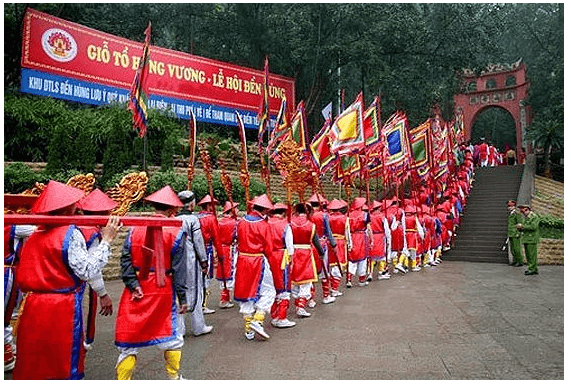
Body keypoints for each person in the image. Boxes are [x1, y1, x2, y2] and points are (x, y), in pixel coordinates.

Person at [13, 181, 120, 380]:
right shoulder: (71, 234)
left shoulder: (34, 234)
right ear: (67, 207)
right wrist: (107, 240)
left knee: (34, 358)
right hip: (61, 307)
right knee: (61, 359)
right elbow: (87, 270)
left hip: (32, 305)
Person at [114, 186, 188, 380]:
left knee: (129, 342)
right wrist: (183, 298)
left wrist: (132, 284)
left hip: (137, 285)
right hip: (163, 288)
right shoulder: (177, 231)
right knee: (172, 335)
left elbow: (125, 259)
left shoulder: (134, 228)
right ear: (173, 210)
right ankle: (174, 378)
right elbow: (180, 270)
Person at [233, 194, 275, 340]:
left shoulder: (240, 223)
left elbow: (234, 239)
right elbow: (269, 248)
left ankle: (248, 328)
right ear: (263, 210)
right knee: (269, 291)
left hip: (242, 259)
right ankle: (258, 319)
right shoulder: (264, 225)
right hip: (257, 260)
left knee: (246, 293)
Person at [4, 195, 36, 373]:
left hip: (9, 270)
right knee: (6, 312)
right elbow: (37, 228)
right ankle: (6, 355)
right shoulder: (14, 226)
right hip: (6, 271)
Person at [76, 189, 118, 322]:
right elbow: (93, 269)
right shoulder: (91, 232)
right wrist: (102, 293)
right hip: (77, 286)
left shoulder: (76, 227)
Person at [176, 190, 212, 337]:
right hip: (190, 260)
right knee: (196, 291)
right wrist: (204, 262)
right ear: (192, 203)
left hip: (175, 261)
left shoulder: (173, 218)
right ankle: (198, 326)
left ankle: (179, 329)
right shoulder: (193, 220)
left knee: (178, 293)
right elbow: (198, 242)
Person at [290, 203, 325, 317]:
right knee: (306, 281)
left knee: (295, 281)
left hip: (292, 253)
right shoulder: (311, 225)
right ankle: (300, 306)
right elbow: (316, 241)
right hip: (305, 254)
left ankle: (297, 304)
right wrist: (321, 253)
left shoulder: (290, 223)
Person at [267, 203, 296, 328]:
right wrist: (291, 258)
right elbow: (289, 246)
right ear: (283, 212)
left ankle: (274, 315)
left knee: (272, 285)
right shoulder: (285, 225)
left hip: (268, 256)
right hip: (281, 256)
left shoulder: (266, 223)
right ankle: (282, 317)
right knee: (284, 285)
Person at [196, 194, 224, 314]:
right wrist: (220, 253)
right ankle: (202, 304)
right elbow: (216, 238)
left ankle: (199, 303)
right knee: (205, 277)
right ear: (208, 206)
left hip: (195, 249)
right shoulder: (210, 218)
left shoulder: (196, 217)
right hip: (205, 249)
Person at [308, 193, 337, 305]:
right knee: (325, 270)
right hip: (322, 244)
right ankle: (326, 295)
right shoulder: (323, 216)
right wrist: (333, 245)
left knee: (311, 270)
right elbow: (329, 232)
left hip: (309, 246)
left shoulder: (307, 215)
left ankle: (311, 299)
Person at [217, 201, 240, 308]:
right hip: (230, 248)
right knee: (230, 271)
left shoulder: (219, 222)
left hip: (221, 248)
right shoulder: (235, 223)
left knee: (223, 271)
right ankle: (225, 298)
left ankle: (224, 296)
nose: (238, 210)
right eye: (236, 208)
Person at [327, 199, 351, 296]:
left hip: (330, 242)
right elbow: (347, 233)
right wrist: (349, 244)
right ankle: (334, 289)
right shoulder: (345, 219)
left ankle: (332, 287)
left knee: (331, 265)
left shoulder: (327, 218)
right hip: (340, 243)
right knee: (338, 265)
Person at [346, 197, 372, 287]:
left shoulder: (348, 215)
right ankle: (361, 280)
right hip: (361, 238)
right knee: (363, 258)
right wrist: (371, 240)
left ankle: (349, 279)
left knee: (352, 258)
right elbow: (369, 228)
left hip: (351, 237)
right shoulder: (365, 215)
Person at [368, 200, 391, 280]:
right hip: (380, 236)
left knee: (371, 256)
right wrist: (388, 239)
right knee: (382, 256)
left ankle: (370, 273)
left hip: (371, 236)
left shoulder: (369, 216)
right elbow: (386, 229)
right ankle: (381, 272)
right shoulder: (382, 216)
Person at [517, 204, 540, 275]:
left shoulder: (534, 217)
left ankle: (532, 269)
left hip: (532, 238)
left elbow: (533, 227)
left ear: (528, 209)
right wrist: (520, 228)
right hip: (527, 238)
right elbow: (524, 229)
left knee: (532, 255)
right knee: (528, 255)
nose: (524, 213)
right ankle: (532, 268)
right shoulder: (526, 218)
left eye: (524, 210)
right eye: (522, 212)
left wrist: (523, 226)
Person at [506, 200, 524, 267]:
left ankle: (520, 261)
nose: (508, 207)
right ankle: (515, 260)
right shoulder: (511, 214)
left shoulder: (517, 214)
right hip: (511, 233)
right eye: (508, 206)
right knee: (512, 248)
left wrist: (518, 232)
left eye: (510, 206)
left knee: (517, 248)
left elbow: (520, 223)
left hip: (515, 233)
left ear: (513, 206)